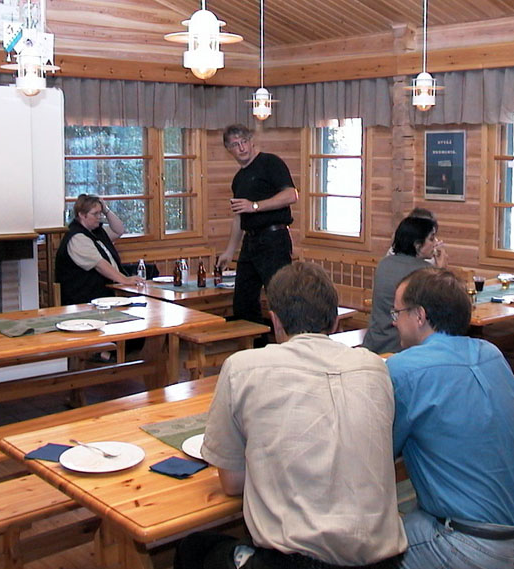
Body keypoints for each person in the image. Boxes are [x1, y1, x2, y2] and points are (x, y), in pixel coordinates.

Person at [174, 262, 407, 569]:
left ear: (275, 322)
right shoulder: (375, 368)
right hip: (383, 561)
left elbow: (232, 483)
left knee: (194, 548)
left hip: (296, 562)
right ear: (335, 322)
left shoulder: (243, 367)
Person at [388, 267, 514, 569]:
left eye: (397, 314)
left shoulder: (404, 370)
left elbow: (379, 450)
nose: (394, 323)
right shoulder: (492, 354)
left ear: (419, 316)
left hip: (474, 546)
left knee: (364, 551)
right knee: (419, 517)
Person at [216, 124, 298, 327]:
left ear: (252, 141)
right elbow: (239, 218)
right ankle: (256, 347)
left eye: (244, 142)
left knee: (280, 296)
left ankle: (288, 346)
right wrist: (229, 251)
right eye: (235, 144)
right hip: (251, 242)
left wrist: (255, 206)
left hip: (274, 239)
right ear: (229, 149)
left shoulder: (270, 163)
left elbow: (291, 195)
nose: (241, 148)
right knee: (243, 302)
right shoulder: (239, 179)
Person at [363, 215, 446, 354]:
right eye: (431, 239)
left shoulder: (384, 263)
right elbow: (442, 306)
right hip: (402, 347)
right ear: (417, 245)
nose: (436, 243)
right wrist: (441, 270)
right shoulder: (424, 272)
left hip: (374, 342)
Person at [55, 194, 144, 306]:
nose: (99, 217)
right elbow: (100, 264)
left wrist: (106, 210)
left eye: (100, 213)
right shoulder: (77, 237)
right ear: (82, 215)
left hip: (105, 294)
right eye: (95, 214)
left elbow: (119, 230)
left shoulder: (97, 230)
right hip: (83, 299)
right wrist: (125, 280)